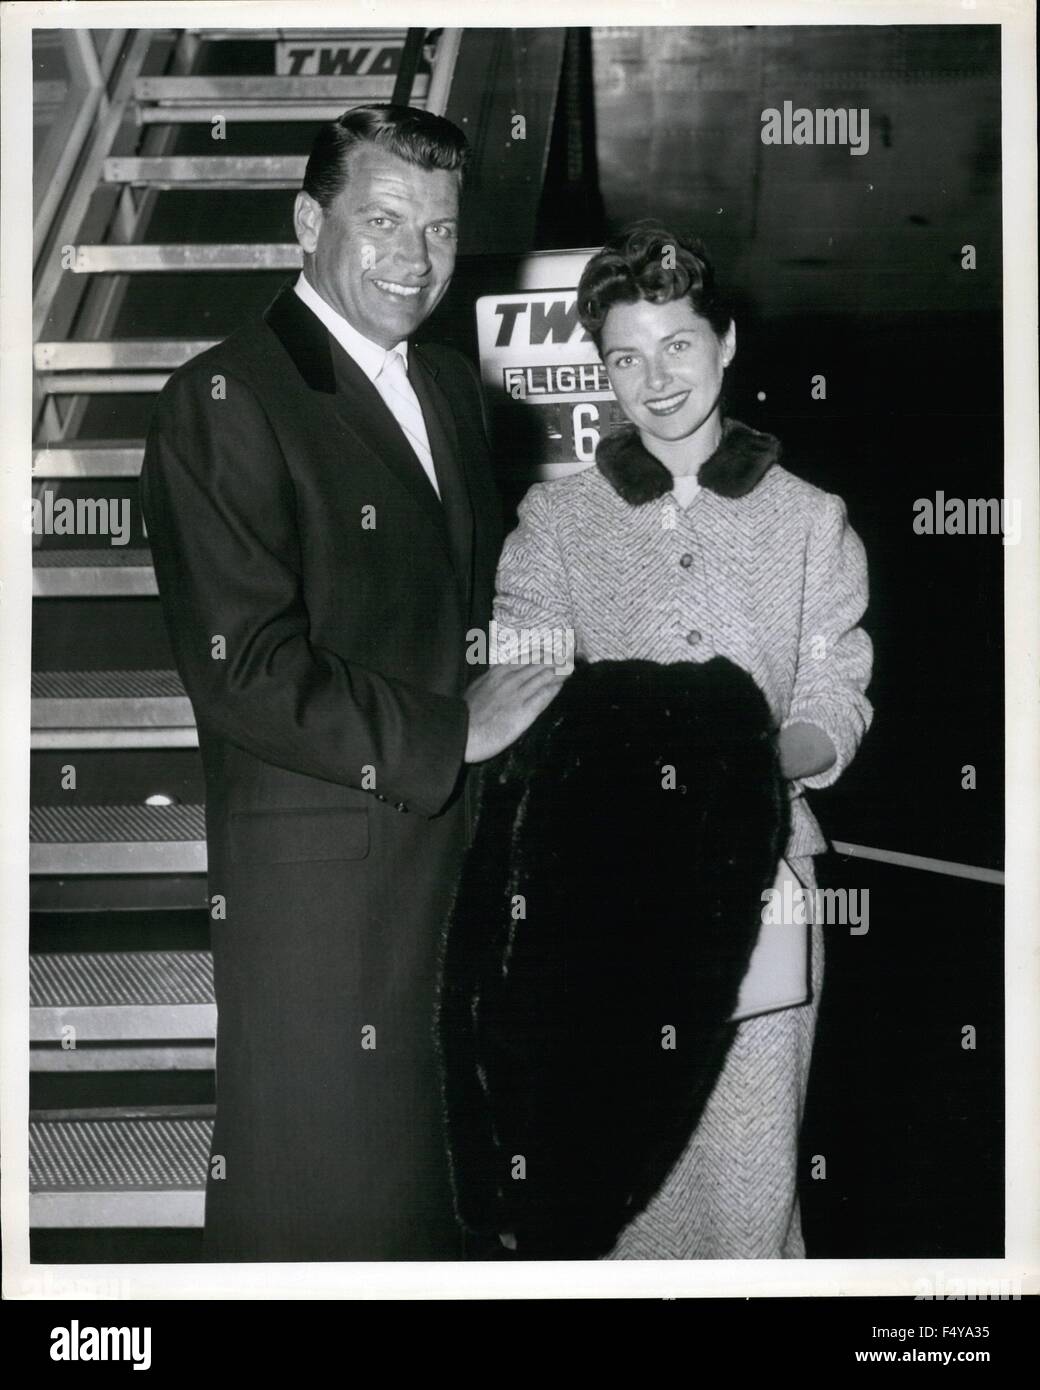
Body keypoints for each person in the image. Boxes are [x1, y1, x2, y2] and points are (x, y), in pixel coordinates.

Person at [139, 104, 564, 1261]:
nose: (414, 257)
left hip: (455, 874)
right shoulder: (221, 398)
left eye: (436, 228)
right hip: (326, 903)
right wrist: (449, 732)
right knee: (320, 1223)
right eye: (382, 221)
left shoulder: (445, 387)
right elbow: (244, 670)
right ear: (305, 222)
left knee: (435, 1220)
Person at [491, 221, 873, 1258]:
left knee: (749, 1185)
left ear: (725, 343)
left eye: (676, 346)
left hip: (764, 882)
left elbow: (836, 689)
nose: (652, 379)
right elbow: (517, 692)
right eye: (623, 356)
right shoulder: (551, 521)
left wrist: (755, 761)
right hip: (601, 901)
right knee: (613, 1181)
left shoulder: (808, 519)